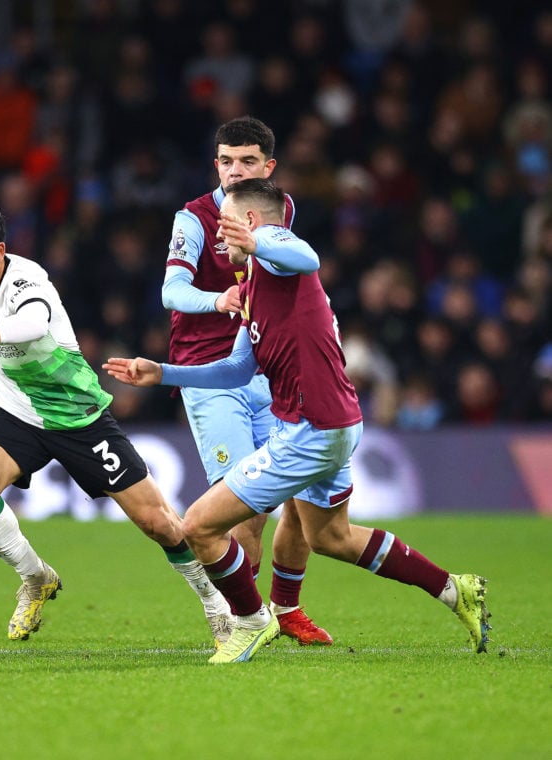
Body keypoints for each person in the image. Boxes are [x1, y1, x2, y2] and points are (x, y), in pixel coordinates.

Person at [106, 178, 491, 663]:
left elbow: (307, 256)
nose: (218, 240)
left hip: (314, 430)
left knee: (200, 527)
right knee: (330, 537)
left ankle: (249, 622)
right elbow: (237, 369)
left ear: (250, 224)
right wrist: (161, 373)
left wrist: (257, 239)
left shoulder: (280, 259)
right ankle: (456, 590)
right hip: (330, 423)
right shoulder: (250, 287)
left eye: (225, 228)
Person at [0, 197, 233, 644]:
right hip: (18, 410)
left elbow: (32, 324)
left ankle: (213, 600)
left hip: (78, 417)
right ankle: (36, 577)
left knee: (159, 523)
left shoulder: (28, 282)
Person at [163, 116, 332, 644]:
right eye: (227, 161)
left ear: (269, 167)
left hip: (268, 369)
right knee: (244, 508)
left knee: (300, 504)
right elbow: (172, 291)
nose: (236, 172)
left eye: (248, 161)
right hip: (213, 375)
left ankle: (285, 609)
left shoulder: (278, 212)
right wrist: (221, 299)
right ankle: (245, 617)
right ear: (216, 163)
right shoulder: (193, 219)